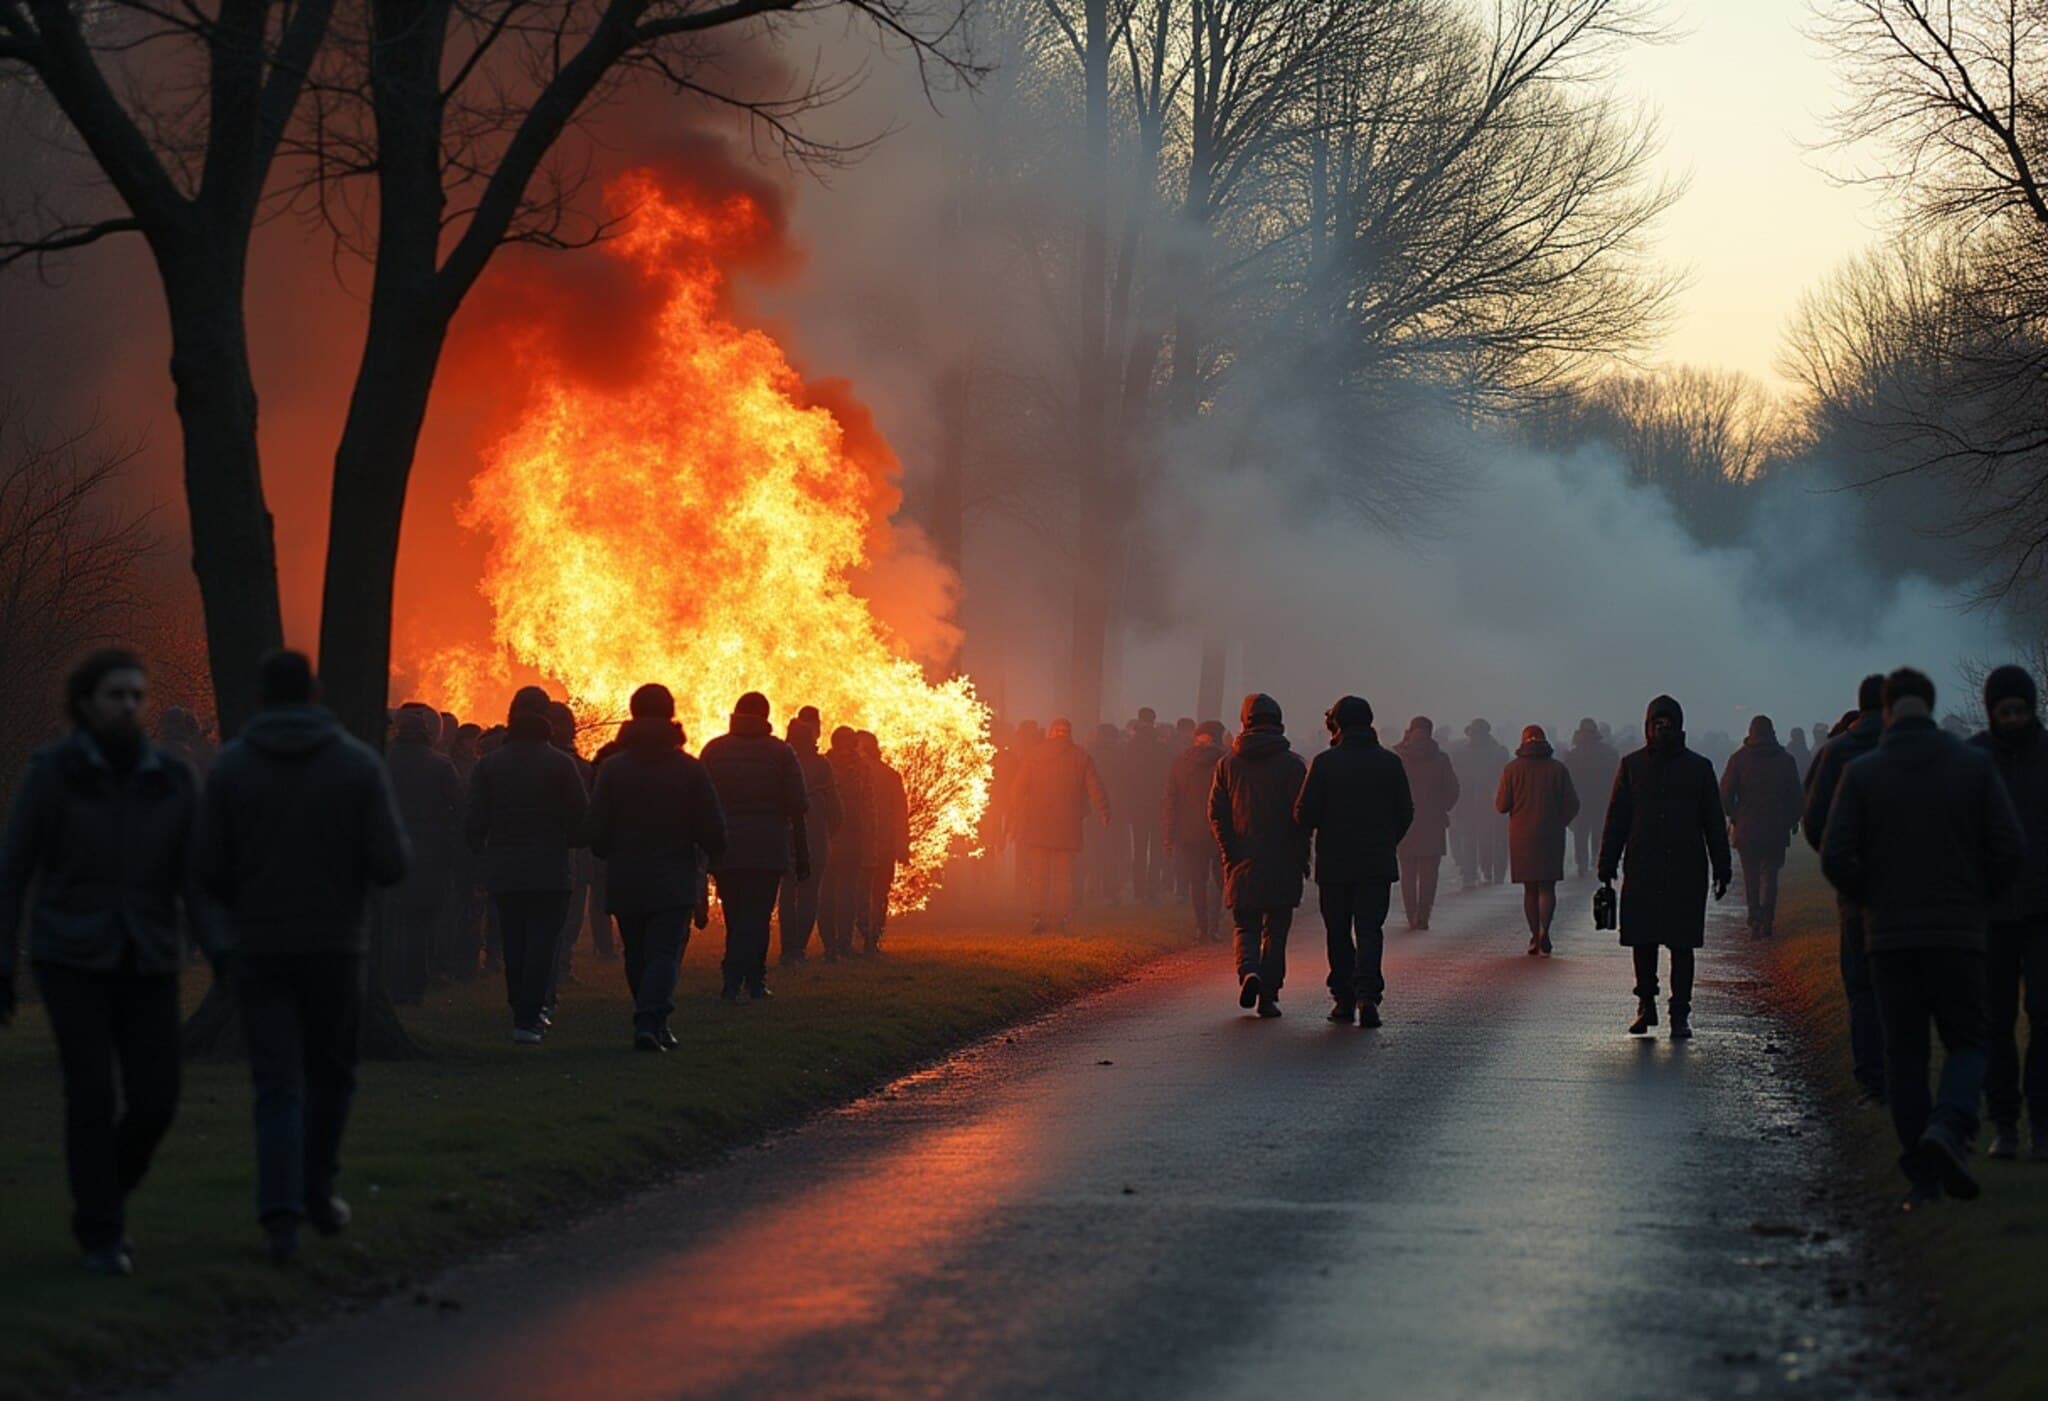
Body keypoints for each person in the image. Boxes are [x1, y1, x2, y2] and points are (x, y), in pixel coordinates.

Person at [0, 649, 213, 1276]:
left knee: (157, 1098)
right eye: (114, 695)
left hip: (148, 955)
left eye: (135, 695)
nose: (127, 705)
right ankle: (101, 1231)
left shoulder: (171, 779)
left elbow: (195, 878)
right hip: (71, 955)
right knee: (91, 1092)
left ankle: (102, 1195)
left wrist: (223, 951)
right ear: (87, 702)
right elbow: (13, 871)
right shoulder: (51, 774)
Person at [199, 650, 410, 1264]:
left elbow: (207, 866)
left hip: (259, 945)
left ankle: (280, 1218)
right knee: (332, 1074)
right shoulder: (355, 764)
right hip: (334, 944)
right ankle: (318, 1191)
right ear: (316, 695)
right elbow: (392, 863)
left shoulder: (233, 767)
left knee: (276, 1084)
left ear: (261, 697)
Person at [1823, 668, 2024, 1210]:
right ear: (1930, 707)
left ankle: (1923, 1181)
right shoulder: (1974, 766)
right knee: (1968, 1039)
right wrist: (1979, 897)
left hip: (1889, 936)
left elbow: (1836, 853)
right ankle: (1951, 1123)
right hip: (1959, 932)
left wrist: (1870, 898)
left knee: (1905, 1055)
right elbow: (2009, 847)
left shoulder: (1864, 773)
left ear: (1886, 711)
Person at [587, 685, 727, 1051]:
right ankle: (650, 1020)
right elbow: (712, 826)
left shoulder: (614, 769)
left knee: (635, 952)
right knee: (664, 952)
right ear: (670, 715)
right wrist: (714, 853)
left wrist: (605, 849)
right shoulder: (689, 768)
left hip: (626, 876)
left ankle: (649, 1020)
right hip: (673, 876)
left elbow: (597, 828)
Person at [1598, 695, 1731, 1040]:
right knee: (1644, 940)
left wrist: (1723, 865)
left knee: (1681, 943)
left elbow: (1713, 821)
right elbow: (1618, 817)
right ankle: (1646, 1002)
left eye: (1667, 722)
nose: (1662, 728)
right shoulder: (1632, 765)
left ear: (1678, 726)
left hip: (1684, 867)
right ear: (1647, 726)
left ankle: (1680, 1011)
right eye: (1657, 723)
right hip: (1644, 863)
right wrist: (1607, 862)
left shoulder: (1698, 768)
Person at [465, 686, 588, 1043]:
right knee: (543, 943)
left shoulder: (489, 764)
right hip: (551, 869)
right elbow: (581, 820)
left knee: (514, 941)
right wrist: (573, 841)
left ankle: (520, 1006)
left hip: (505, 869)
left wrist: (480, 857)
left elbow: (475, 821)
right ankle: (529, 1016)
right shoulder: (561, 763)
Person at [1968, 665, 2048, 1162]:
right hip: (1991, 912)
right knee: (1994, 1021)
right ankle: (2005, 1121)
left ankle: (2040, 1122)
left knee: (2044, 1016)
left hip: (2043, 907)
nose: (2014, 718)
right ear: (1993, 711)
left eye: (2020, 710)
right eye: (2006, 711)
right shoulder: (1974, 761)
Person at [1295, 696, 1411, 1025]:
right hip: (1376, 860)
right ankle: (1367, 994)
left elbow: (1305, 813)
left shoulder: (1324, 763)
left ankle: (1343, 997)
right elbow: (1405, 811)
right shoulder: (1390, 762)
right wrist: (1388, 840)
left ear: (1338, 724)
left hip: (1335, 861)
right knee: (1370, 930)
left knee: (1338, 931)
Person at [1803, 675, 1888, 1104]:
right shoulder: (1915, 751)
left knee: (1861, 985)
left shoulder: (1836, 753)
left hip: (1856, 890)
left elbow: (1813, 819)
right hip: (1908, 889)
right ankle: (1901, 1073)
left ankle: (1871, 1078)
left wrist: (1839, 865)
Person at [700, 693, 809, 1001]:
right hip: (767, 847)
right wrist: (801, 853)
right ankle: (754, 980)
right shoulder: (781, 752)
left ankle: (733, 979)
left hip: (726, 847)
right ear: (766, 715)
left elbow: (699, 799)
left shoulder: (714, 750)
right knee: (759, 916)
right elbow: (798, 804)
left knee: (735, 915)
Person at [1211, 693, 1309, 1018]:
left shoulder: (1227, 764)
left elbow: (1216, 813)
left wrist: (1229, 850)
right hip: (1284, 858)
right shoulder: (1294, 764)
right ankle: (1269, 993)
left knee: (1245, 926)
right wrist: (1301, 852)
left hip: (1242, 857)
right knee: (1276, 931)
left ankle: (1248, 971)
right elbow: (1304, 814)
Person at [383, 703, 461, 1004]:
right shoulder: (441, 766)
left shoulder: (381, 761)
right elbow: (461, 808)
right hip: (430, 854)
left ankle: (390, 983)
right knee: (421, 922)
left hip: (387, 850)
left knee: (391, 920)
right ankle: (414, 987)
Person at [1011, 718, 1111, 934]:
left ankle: (1037, 916)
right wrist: (1104, 811)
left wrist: (1015, 815)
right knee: (1064, 876)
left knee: (1039, 874)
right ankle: (1062, 918)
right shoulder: (1081, 757)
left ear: (1050, 733)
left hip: (1038, 825)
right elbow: (1095, 787)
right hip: (1068, 825)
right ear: (1069, 733)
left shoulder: (1033, 755)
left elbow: (1018, 788)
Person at [1497, 724, 1579, 957]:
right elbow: (1573, 804)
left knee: (1530, 888)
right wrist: (1559, 821)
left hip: (1521, 835)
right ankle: (1546, 929)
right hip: (1551, 834)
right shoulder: (1558, 769)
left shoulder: (1511, 770)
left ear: (1523, 742)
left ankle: (1534, 936)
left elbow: (1501, 806)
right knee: (1547, 886)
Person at [1719, 715, 1804, 940]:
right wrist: (1790, 820)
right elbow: (1796, 796)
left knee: (1751, 874)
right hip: (1776, 827)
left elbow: (1725, 794)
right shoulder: (1785, 760)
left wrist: (1734, 815)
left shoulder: (1739, 759)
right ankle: (1767, 918)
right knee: (1771, 874)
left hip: (1747, 826)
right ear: (1772, 732)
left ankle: (1754, 915)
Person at [778, 708, 842, 966]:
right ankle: (798, 950)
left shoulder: (778, 761)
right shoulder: (820, 765)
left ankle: (786, 948)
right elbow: (835, 808)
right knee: (808, 895)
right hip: (814, 838)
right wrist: (830, 832)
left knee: (786, 893)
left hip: (783, 838)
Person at [1162, 721, 1228, 942]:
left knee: (1197, 881)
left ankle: (1201, 927)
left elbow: (1171, 800)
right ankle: (1215, 926)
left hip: (1189, 832)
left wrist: (1169, 834)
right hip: (1220, 830)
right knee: (1220, 880)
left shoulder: (1180, 763)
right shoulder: (1226, 763)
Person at [1393, 716, 1459, 931]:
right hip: (1433, 821)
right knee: (1429, 873)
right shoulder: (1440, 759)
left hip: (1403, 822)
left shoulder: (1398, 757)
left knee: (1408, 871)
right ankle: (1424, 914)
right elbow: (1452, 789)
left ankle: (1411, 913)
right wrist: (1442, 807)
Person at [820, 726, 869, 960]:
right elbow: (868, 805)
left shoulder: (824, 764)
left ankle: (829, 944)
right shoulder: (860, 767)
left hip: (828, 835)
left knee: (826, 891)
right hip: (851, 836)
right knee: (848, 891)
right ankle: (843, 943)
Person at [857, 731, 909, 954]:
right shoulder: (891, 775)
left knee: (858, 891)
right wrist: (902, 847)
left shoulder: (852, 774)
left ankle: (860, 934)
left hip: (859, 846)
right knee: (879, 893)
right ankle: (873, 937)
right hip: (885, 846)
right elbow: (900, 815)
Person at [1123, 709, 1174, 903]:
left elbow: (1125, 777)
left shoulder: (1130, 748)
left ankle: (1138, 890)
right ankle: (1153, 890)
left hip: (1137, 806)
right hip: (1157, 805)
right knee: (1156, 850)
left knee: (1139, 849)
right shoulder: (1161, 748)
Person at [1452, 719, 1510, 887]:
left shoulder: (1461, 753)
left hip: (1471, 802)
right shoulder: (1499, 751)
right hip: (1489, 801)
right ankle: (1487, 871)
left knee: (1471, 839)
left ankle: (1472, 873)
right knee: (1487, 839)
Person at [1564, 718, 1619, 880]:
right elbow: (1613, 779)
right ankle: (1595, 861)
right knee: (1597, 833)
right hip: (1600, 800)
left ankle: (1583, 864)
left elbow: (1569, 780)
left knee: (1581, 834)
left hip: (1581, 801)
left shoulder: (1573, 754)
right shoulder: (1608, 753)